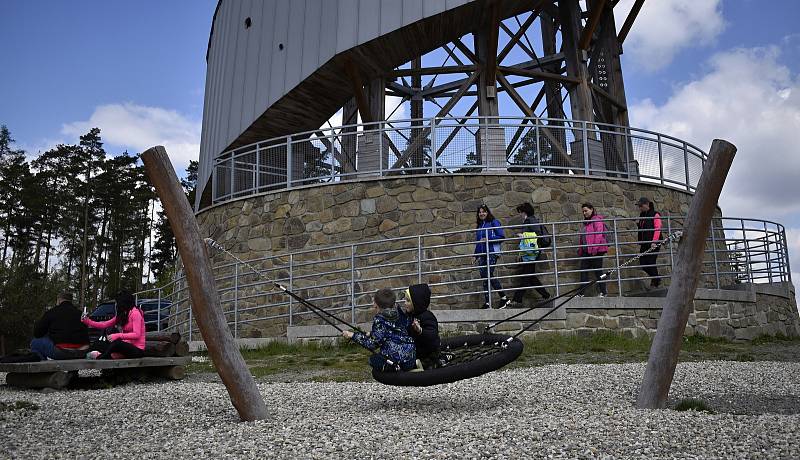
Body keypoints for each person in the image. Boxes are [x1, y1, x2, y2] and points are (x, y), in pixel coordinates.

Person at [342, 288, 416, 372]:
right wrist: (371, 333)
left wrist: (352, 335)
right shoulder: (400, 311)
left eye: (374, 302)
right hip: (411, 358)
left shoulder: (380, 319)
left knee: (373, 359)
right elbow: (392, 330)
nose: (373, 305)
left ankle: (394, 369)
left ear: (376, 305)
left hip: (397, 361)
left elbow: (372, 345)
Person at [508, 203, 552, 308]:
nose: (520, 215)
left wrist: (524, 235)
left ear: (525, 212)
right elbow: (525, 242)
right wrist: (520, 253)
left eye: (521, 212)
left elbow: (537, 234)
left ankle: (517, 300)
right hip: (528, 253)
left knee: (526, 276)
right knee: (530, 276)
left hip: (532, 253)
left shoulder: (531, 220)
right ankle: (546, 295)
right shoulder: (528, 221)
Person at [82, 290, 145, 359]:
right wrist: (88, 321)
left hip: (137, 349)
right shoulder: (123, 314)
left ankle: (100, 356)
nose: (116, 305)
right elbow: (104, 324)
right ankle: (84, 355)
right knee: (99, 343)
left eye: (117, 302)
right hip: (126, 346)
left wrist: (118, 335)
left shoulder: (135, 313)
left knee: (116, 343)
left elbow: (137, 334)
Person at [30, 292, 90, 360]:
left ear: (59, 300)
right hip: (82, 351)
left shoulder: (52, 312)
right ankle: (73, 370)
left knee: (35, 342)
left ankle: (43, 368)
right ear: (71, 300)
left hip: (62, 351)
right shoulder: (80, 314)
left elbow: (37, 333)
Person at [474, 205, 508, 309]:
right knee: (485, 277)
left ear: (488, 212)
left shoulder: (494, 222)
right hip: (483, 255)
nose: (481, 214)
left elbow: (501, 236)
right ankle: (488, 303)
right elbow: (479, 243)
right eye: (480, 212)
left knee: (487, 274)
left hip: (492, 253)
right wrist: (475, 256)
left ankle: (504, 297)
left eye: (483, 212)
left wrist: (488, 238)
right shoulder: (480, 226)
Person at [403, 283, 442, 369]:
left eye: (408, 301)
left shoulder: (427, 316)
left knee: (429, 360)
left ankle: (428, 364)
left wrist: (420, 330)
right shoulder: (409, 315)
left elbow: (432, 335)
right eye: (405, 300)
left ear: (417, 302)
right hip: (414, 350)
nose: (405, 303)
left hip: (427, 353)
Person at [578, 203, 609, 297]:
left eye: (586, 210)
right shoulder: (586, 222)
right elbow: (583, 237)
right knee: (584, 270)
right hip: (587, 251)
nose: (584, 213)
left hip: (597, 250)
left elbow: (599, 234)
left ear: (592, 209)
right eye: (583, 211)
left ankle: (603, 292)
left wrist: (594, 249)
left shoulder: (596, 220)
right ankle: (581, 293)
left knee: (598, 271)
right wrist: (581, 249)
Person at [636, 196, 663, 289]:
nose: (639, 208)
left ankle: (656, 281)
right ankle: (656, 278)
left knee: (651, 262)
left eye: (641, 205)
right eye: (639, 206)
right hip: (644, 243)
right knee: (643, 263)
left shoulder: (655, 214)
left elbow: (657, 228)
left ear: (647, 204)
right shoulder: (642, 215)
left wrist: (654, 242)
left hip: (654, 243)